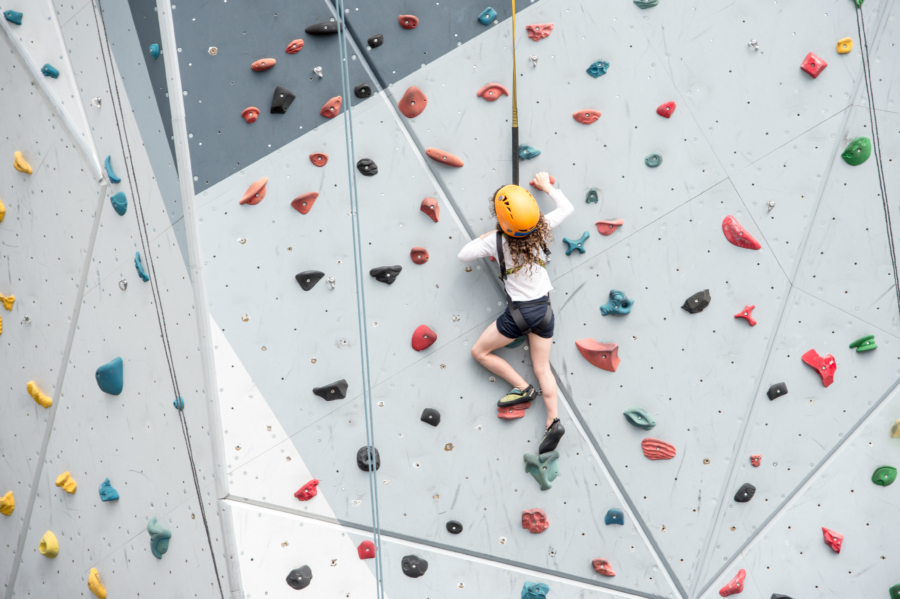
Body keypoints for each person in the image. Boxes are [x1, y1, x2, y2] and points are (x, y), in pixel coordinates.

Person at [458, 172, 573, 453]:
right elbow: (567, 209)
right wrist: (547, 187)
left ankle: (523, 388)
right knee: (543, 367)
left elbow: (464, 254)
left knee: (480, 352)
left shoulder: (495, 241)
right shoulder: (542, 226)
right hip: (544, 310)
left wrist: (490, 234)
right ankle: (552, 419)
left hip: (519, 314)